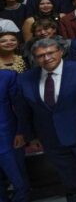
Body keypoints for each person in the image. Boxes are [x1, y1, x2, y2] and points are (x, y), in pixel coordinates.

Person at [16, 38, 76, 202]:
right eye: (40, 56)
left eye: (50, 53)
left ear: (60, 52)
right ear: (34, 58)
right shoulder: (25, 79)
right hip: (50, 137)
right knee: (68, 177)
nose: (46, 58)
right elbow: (24, 111)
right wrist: (30, 136)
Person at [0, 69, 28, 202]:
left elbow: (21, 106)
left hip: (8, 140)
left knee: (20, 183)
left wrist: (20, 131)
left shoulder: (7, 76)